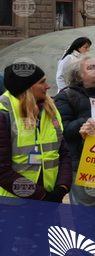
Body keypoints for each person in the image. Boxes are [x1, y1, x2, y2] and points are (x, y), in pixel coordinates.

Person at [1, 62, 72, 202]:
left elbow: (64, 154)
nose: (48, 86)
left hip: (49, 200)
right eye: (42, 82)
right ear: (26, 87)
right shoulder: (3, 114)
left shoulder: (50, 110)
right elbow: (2, 170)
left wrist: (62, 187)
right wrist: (41, 195)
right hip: (12, 205)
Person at [54, 54, 95, 213]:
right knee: (84, 214)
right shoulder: (66, 97)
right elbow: (62, 130)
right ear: (78, 76)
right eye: (91, 67)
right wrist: (87, 121)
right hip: (81, 166)